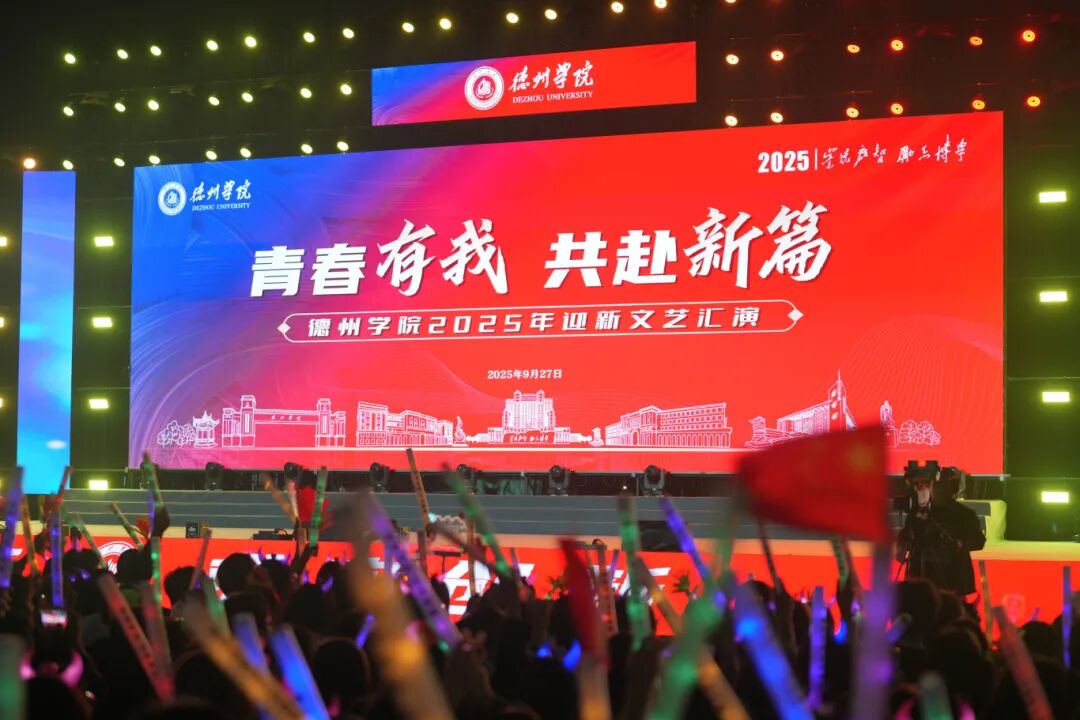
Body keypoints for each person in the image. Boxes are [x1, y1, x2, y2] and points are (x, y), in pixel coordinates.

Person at [896, 466, 985, 595]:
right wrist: (903, 543)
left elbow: (979, 541)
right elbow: (903, 546)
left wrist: (959, 544)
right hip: (920, 579)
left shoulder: (964, 515)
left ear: (952, 489)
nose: (939, 489)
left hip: (952, 580)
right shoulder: (916, 514)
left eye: (943, 486)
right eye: (936, 485)